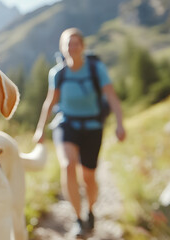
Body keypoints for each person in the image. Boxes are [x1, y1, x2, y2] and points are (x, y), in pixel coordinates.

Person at [33, 28, 126, 237]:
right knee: (67, 166)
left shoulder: (95, 68)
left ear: (82, 46)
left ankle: (91, 210)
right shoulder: (58, 73)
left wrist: (120, 124)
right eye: (68, 44)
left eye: (76, 43)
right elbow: (50, 102)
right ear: (62, 48)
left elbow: (111, 96)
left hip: (93, 126)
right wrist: (40, 129)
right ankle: (77, 218)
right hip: (67, 125)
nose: (72, 47)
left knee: (89, 177)